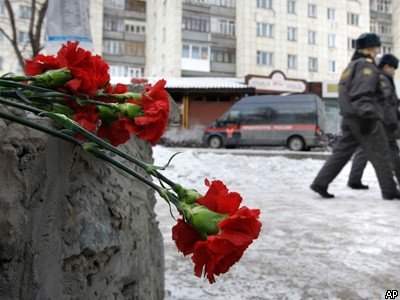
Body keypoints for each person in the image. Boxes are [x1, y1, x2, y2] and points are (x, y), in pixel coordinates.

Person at [310, 33, 400, 200]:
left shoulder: (351, 66)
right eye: (375, 48)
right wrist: (367, 115)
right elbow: (362, 94)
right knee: (382, 154)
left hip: (350, 117)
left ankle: (320, 183)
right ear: (369, 49)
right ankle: (390, 191)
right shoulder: (366, 67)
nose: (376, 51)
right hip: (364, 118)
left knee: (341, 153)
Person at [347, 54, 400, 190]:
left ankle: (354, 179)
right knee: (392, 149)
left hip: (374, 118)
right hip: (383, 121)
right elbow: (386, 102)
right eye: (394, 68)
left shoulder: (376, 76)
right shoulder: (383, 78)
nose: (394, 72)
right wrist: (392, 122)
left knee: (363, 149)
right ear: (387, 66)